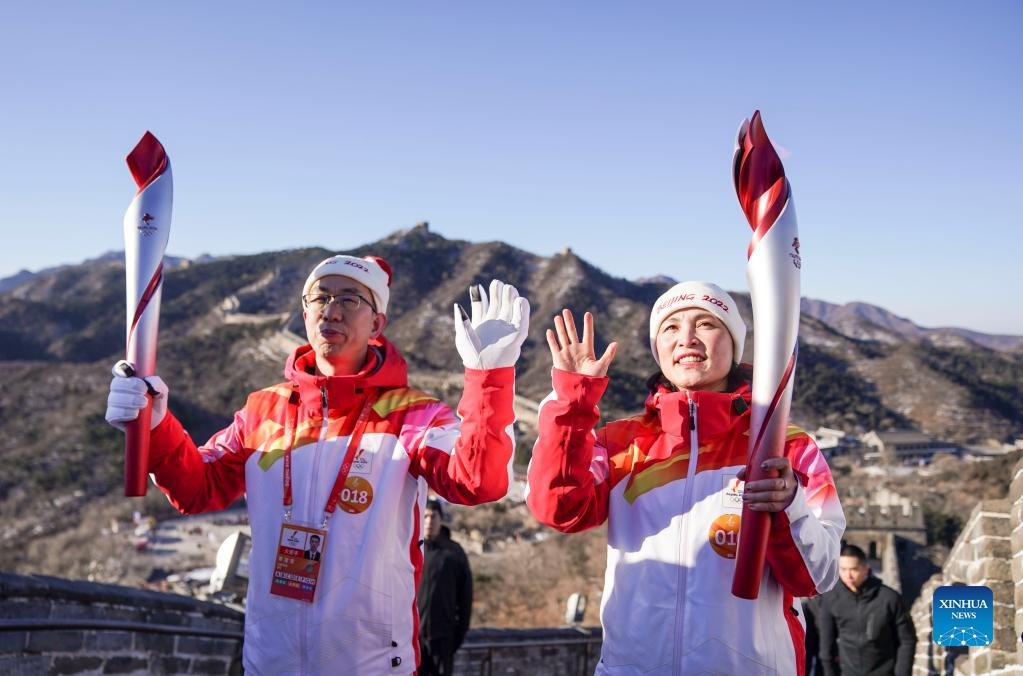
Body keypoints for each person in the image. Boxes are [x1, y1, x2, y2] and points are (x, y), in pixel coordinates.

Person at [106, 254, 530, 675]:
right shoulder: (263, 411)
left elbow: (477, 481)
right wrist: (156, 426)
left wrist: (489, 378)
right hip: (269, 664)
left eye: (349, 299)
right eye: (320, 297)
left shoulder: (412, 415)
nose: (332, 309)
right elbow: (197, 489)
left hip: (372, 667)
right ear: (305, 312)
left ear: (377, 324)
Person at [526, 281, 846, 675]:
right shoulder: (620, 443)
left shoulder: (786, 446)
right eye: (671, 327)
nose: (687, 338)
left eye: (706, 324)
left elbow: (818, 576)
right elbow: (559, 510)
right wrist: (573, 402)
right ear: (658, 348)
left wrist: (790, 507)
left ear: (734, 344)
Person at [817, 544, 916, 676]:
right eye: (843, 569)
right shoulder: (831, 599)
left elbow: (907, 640)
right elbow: (826, 647)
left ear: (866, 568)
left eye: (854, 569)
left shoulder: (889, 598)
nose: (848, 575)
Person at [416, 497, 472, 676]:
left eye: (433, 516)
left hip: (442, 640)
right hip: (413, 640)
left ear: (441, 519)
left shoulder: (454, 553)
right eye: (425, 516)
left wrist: (456, 637)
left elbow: (465, 599)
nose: (429, 522)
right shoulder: (411, 550)